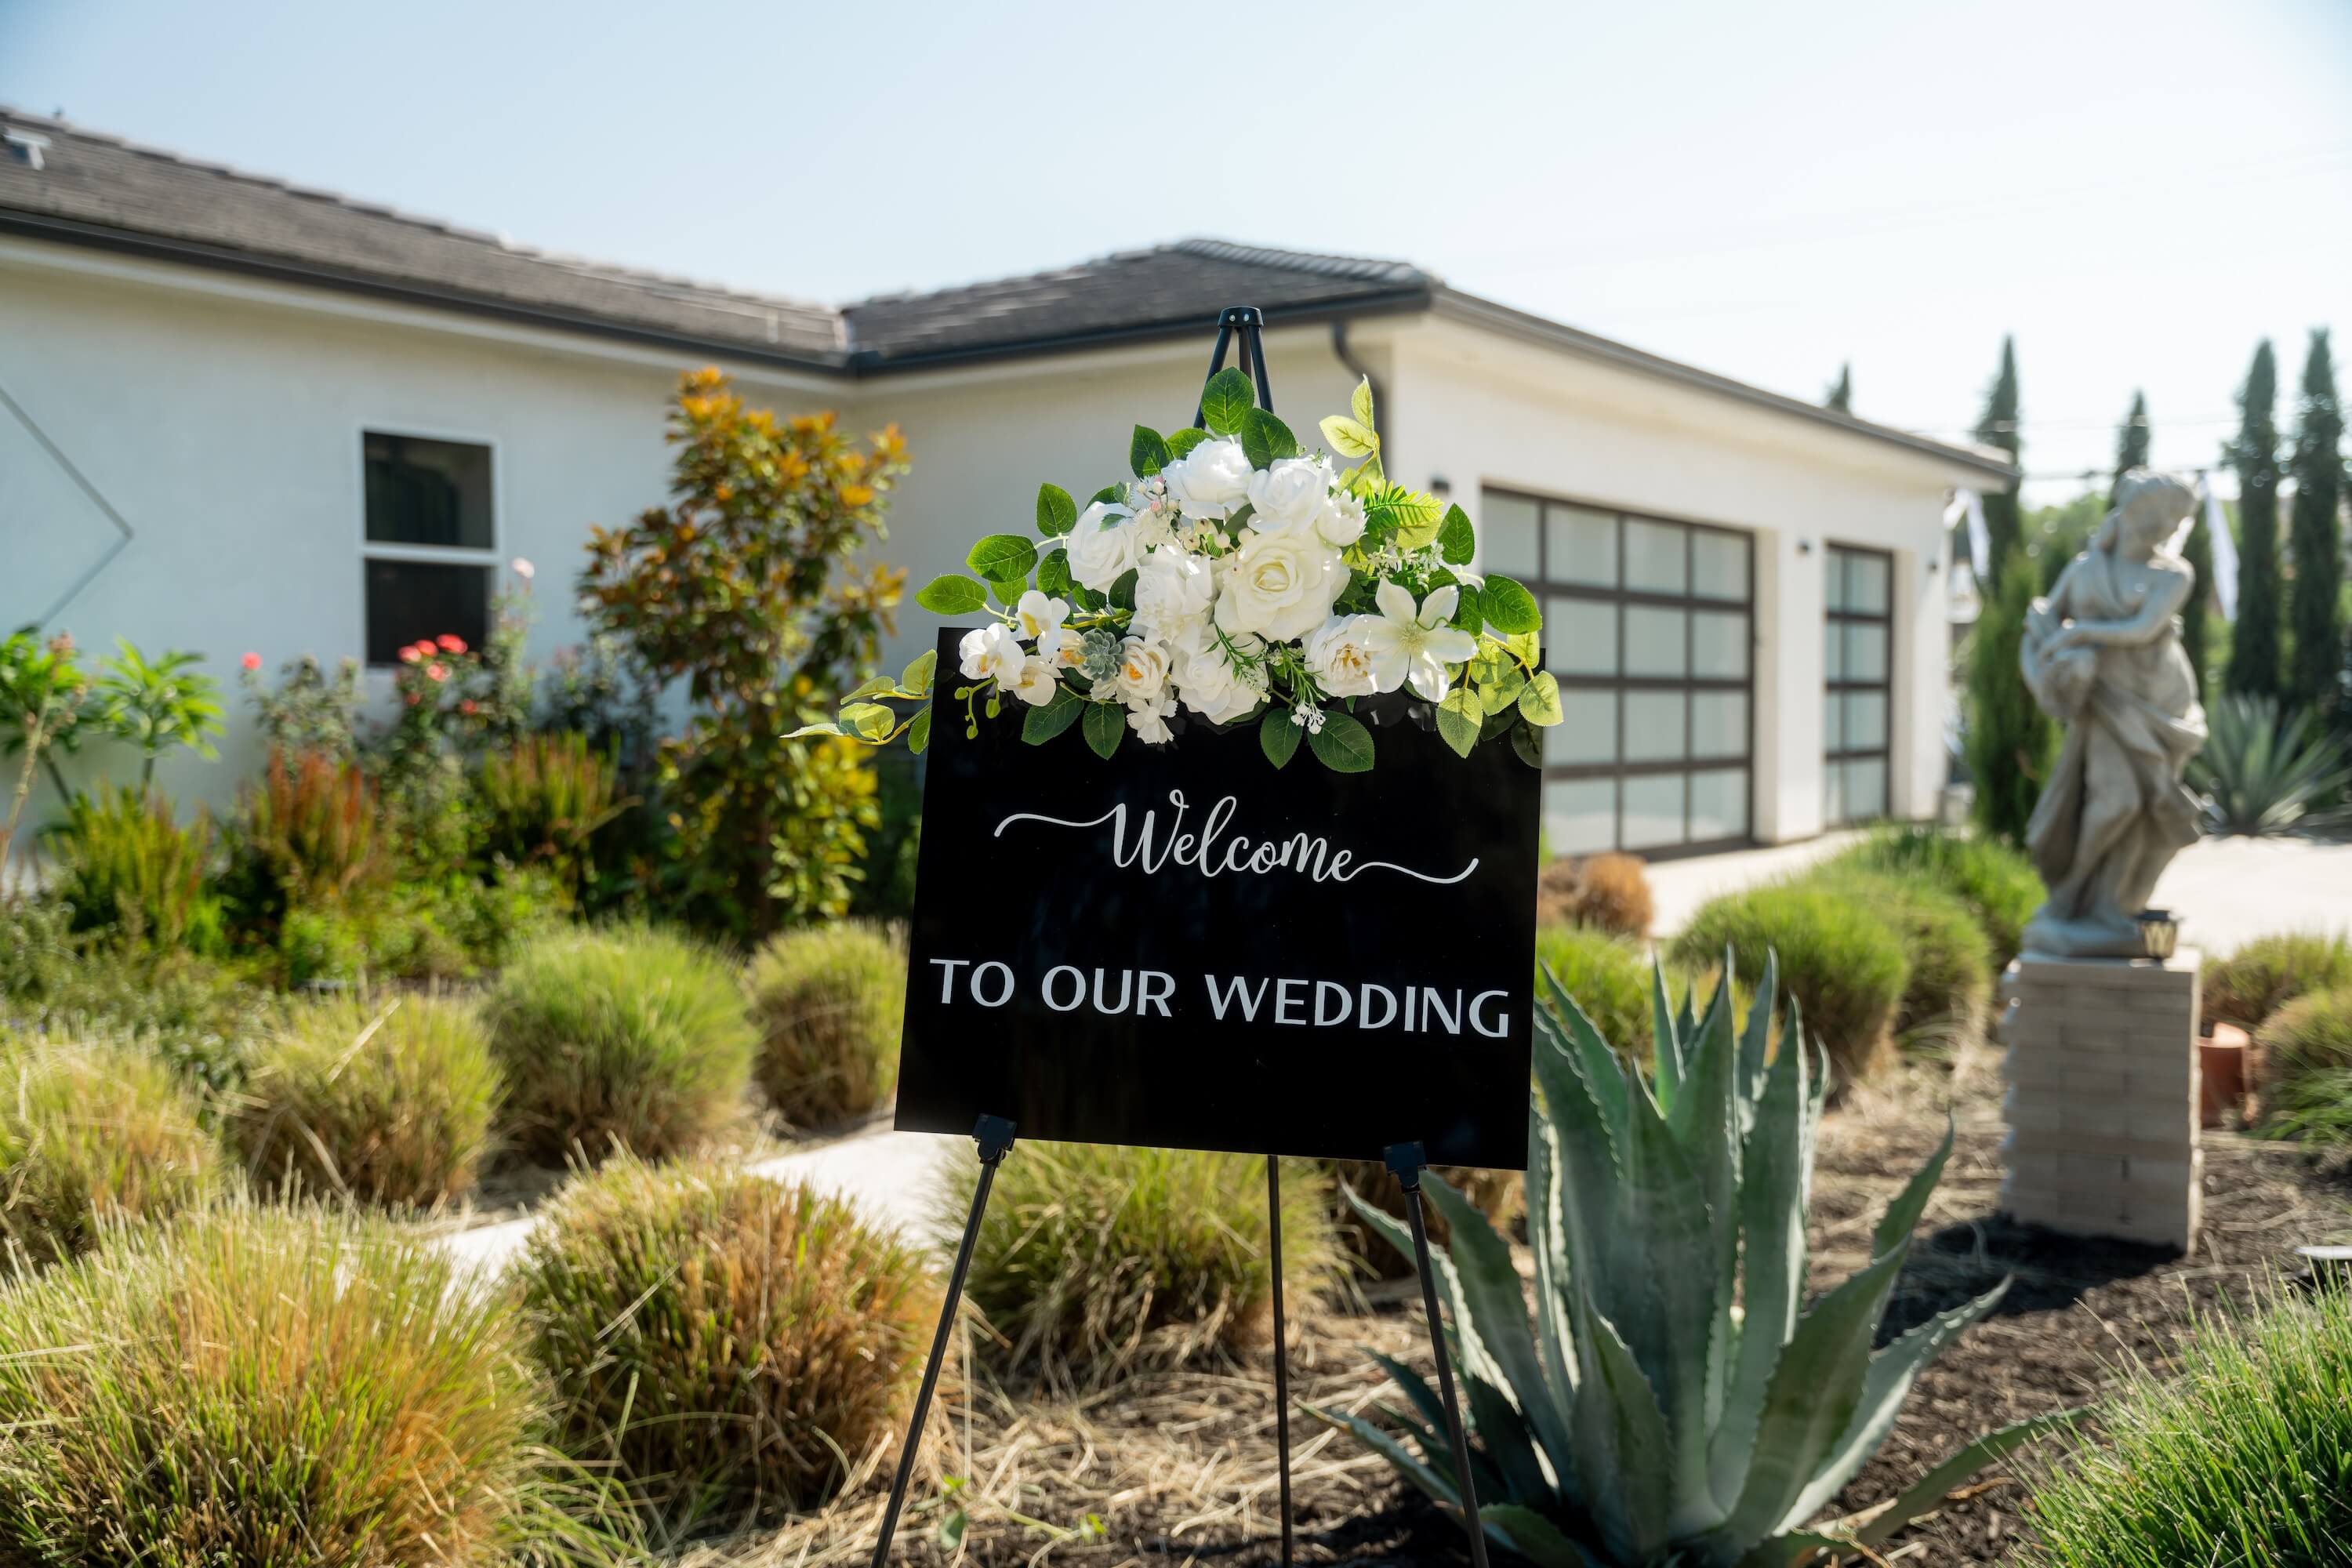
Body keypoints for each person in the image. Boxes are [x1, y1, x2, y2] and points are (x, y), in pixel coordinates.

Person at [2017, 469, 2207, 958]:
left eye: (2169, 519)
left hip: (2159, 701)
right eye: (2152, 514)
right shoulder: (2084, 569)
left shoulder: (2173, 574)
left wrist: (2077, 634)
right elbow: (2038, 623)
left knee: (2147, 810)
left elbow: (2144, 629)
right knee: (2117, 802)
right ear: (2127, 512)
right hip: (2103, 700)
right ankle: (2071, 896)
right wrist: (2045, 673)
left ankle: (2111, 908)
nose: (2158, 527)